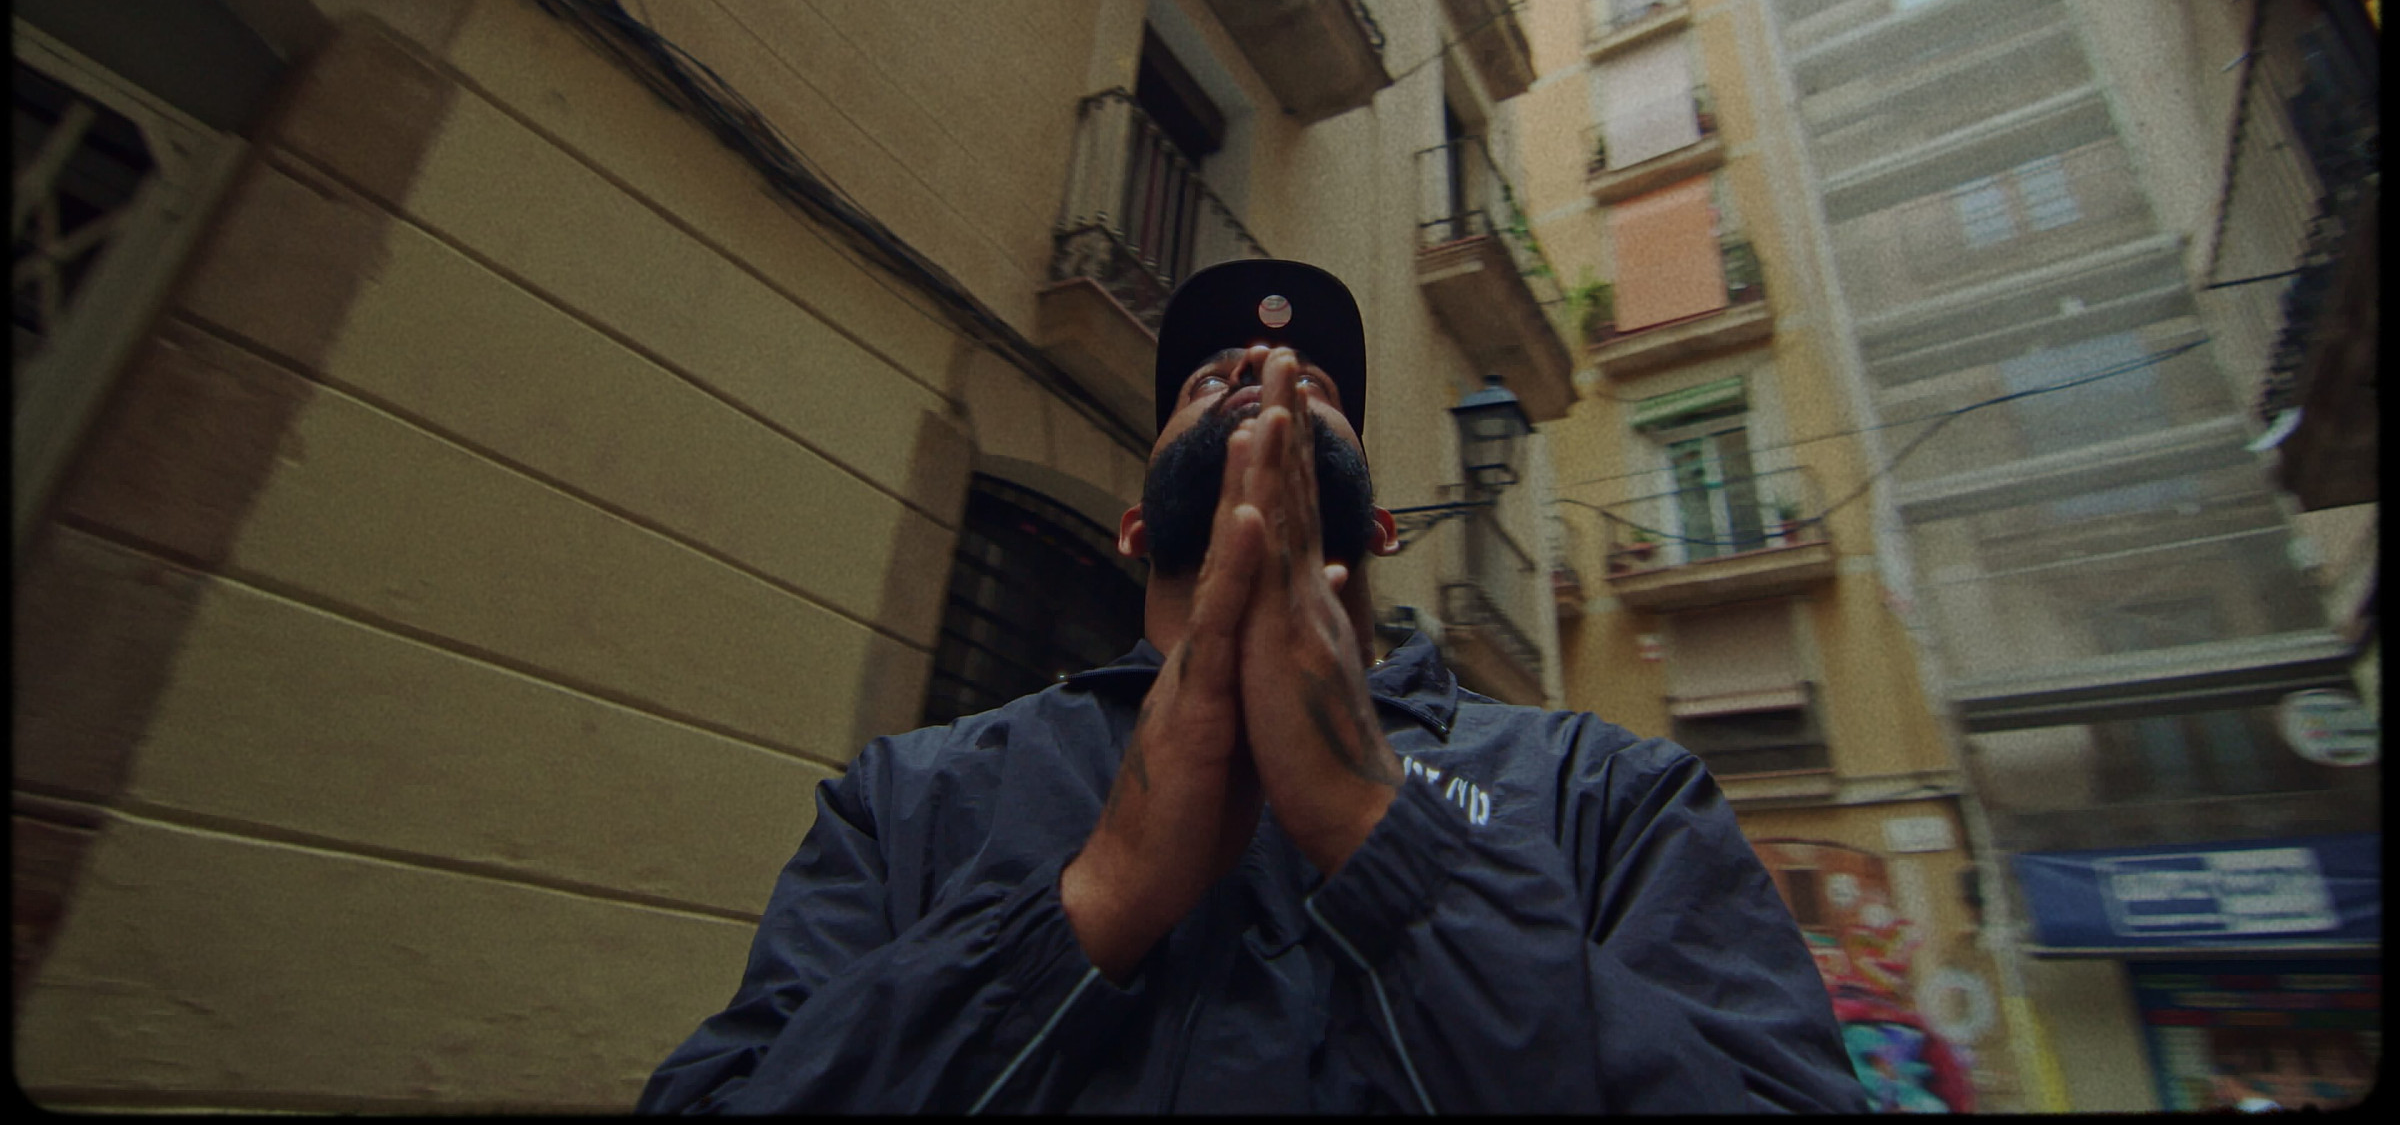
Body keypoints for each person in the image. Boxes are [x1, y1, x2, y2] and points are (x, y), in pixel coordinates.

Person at [636, 258, 1869, 1113]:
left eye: (1309, 387)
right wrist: (1098, 899)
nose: (1264, 375)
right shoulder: (912, 798)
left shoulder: (1609, 795)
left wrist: (1380, 836)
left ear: (1380, 530)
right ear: (1134, 526)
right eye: (1208, 382)